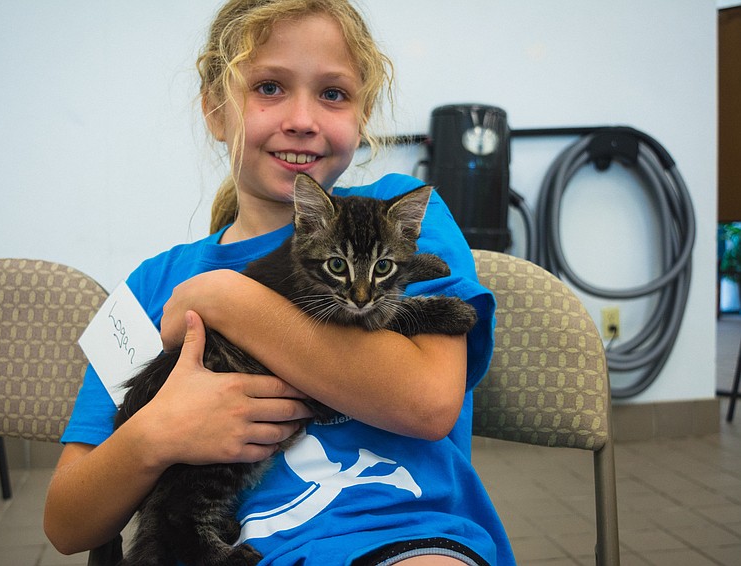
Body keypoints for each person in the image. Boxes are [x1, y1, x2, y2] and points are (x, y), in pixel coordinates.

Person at [44, 1, 516, 564]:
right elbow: (67, 524)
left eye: (333, 94)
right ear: (215, 110)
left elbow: (425, 404)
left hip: (397, 537)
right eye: (268, 87)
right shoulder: (154, 283)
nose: (302, 119)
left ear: (361, 116)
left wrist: (220, 297)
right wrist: (156, 434)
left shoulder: (401, 223)